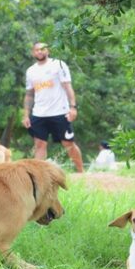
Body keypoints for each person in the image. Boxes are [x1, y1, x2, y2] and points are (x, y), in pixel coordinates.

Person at [22, 42, 84, 172]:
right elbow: (29, 94)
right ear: (33, 53)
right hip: (39, 114)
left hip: (59, 112)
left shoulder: (58, 65)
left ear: (48, 51)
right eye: (37, 50)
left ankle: (80, 172)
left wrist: (73, 107)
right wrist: (26, 115)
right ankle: (39, 175)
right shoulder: (31, 71)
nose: (40, 52)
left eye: (43, 49)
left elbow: (68, 87)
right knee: (39, 145)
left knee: (68, 144)